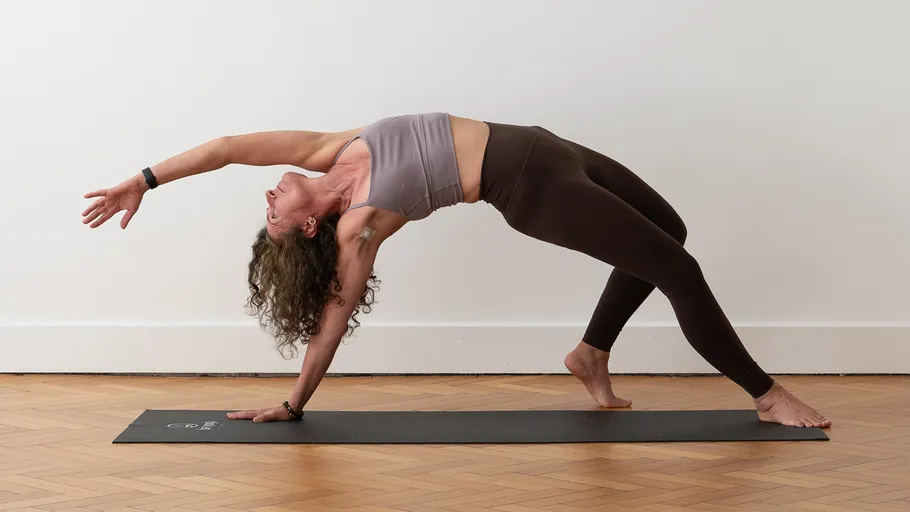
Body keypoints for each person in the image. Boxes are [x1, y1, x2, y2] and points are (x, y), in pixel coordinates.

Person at [82, 112, 831, 428]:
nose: (269, 198)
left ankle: (591, 353)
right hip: (531, 188)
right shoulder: (359, 226)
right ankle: (765, 395)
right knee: (679, 268)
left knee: (669, 231)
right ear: (310, 226)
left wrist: (141, 181)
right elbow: (333, 321)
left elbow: (224, 149)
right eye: (274, 216)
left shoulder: (326, 150)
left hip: (542, 144)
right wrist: (292, 402)